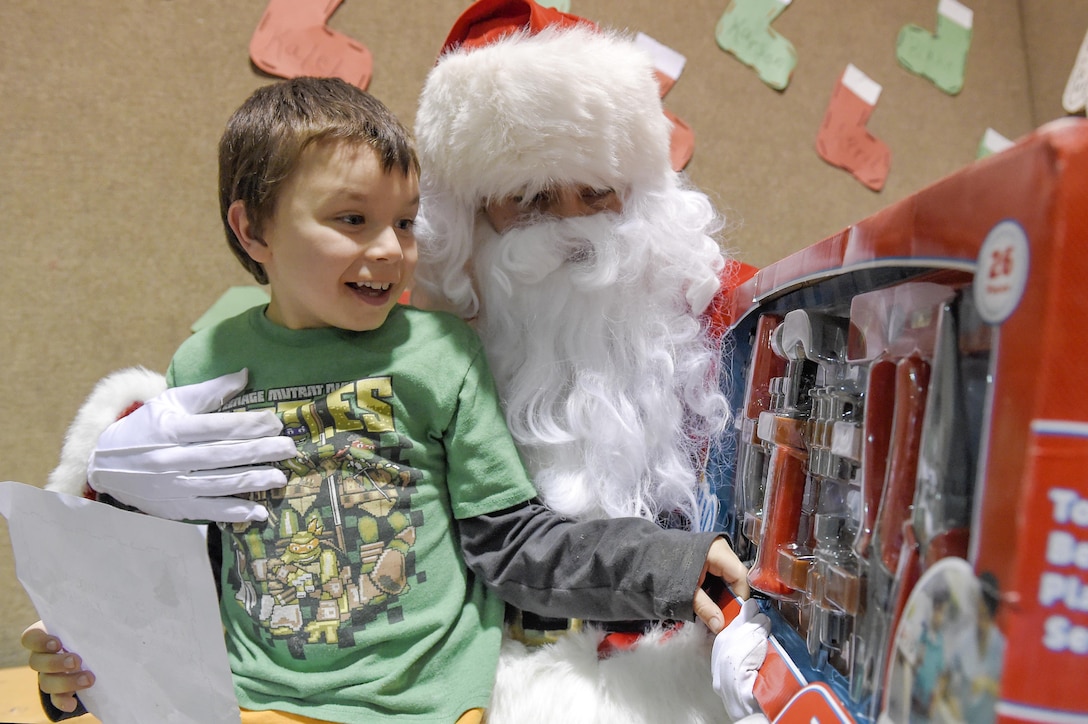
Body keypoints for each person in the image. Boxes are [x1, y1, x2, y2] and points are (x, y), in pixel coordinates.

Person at [26, 1, 768, 722]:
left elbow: (513, 541)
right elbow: (180, 565)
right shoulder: (230, 359)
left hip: (458, 698)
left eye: (597, 192)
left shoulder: (731, 325)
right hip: (262, 698)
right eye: (530, 198)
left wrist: (668, 568)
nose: (572, 228)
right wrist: (97, 613)